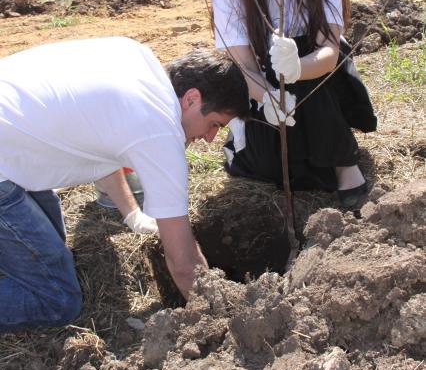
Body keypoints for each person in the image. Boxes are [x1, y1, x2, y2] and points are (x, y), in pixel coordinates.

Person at [0, 38, 249, 332]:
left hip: (13, 144)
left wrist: (132, 214)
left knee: (50, 250)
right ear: (192, 99)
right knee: (57, 298)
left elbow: (102, 145)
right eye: (215, 124)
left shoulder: (139, 60)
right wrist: (218, 321)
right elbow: (184, 264)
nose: (210, 138)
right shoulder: (159, 130)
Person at [211, 0, 377, 211]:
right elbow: (243, 66)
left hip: (320, 83)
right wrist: (271, 97)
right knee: (272, 169)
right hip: (262, 89)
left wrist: (298, 68)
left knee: (297, 49)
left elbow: (329, 52)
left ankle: (344, 166)